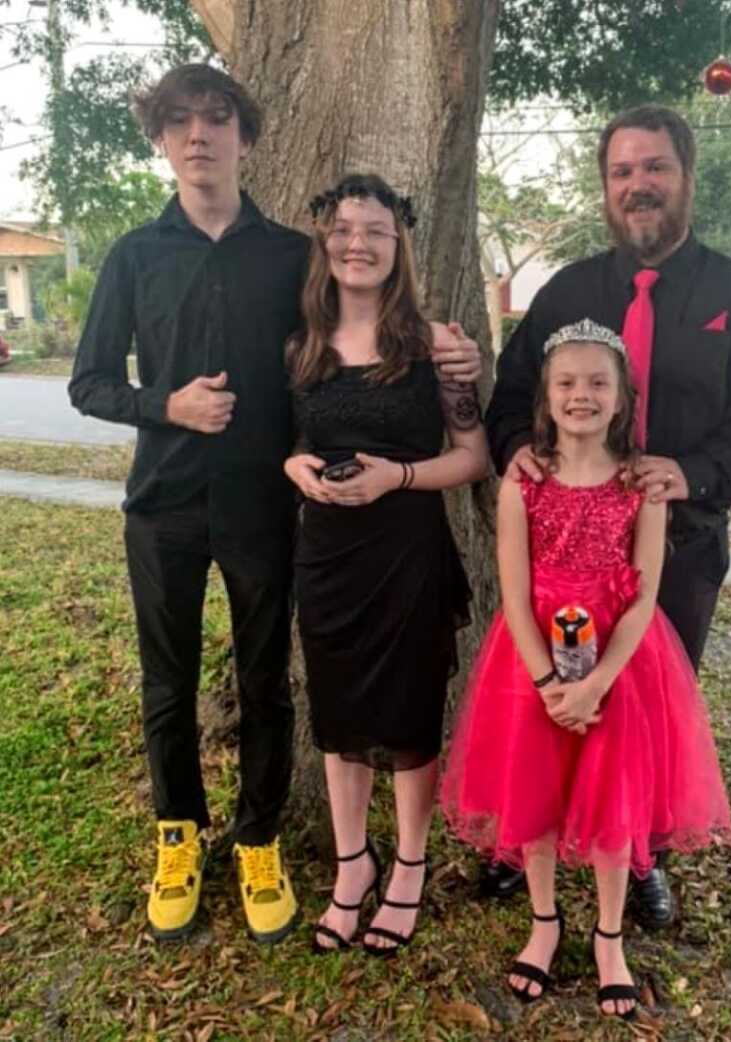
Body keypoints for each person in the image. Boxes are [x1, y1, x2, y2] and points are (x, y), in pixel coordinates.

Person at [68, 66, 481, 945]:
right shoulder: (134, 256)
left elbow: (353, 341)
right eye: (179, 122)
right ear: (160, 141)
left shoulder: (295, 253)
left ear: (245, 138)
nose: (198, 136)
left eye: (216, 120)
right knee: (168, 681)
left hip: (268, 506)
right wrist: (163, 405)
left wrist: (454, 358)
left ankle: (259, 836)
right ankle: (177, 833)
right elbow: (89, 383)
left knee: (266, 681)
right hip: (164, 506)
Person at [482, 104, 731, 924]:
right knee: (545, 702)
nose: (639, 186)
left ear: (686, 176)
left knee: (644, 708)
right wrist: (520, 447)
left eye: (654, 167)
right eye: (622, 172)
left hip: (678, 548)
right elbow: (515, 395)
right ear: (605, 189)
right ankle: (533, 836)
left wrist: (689, 473)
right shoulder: (567, 292)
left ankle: (641, 851)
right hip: (560, 551)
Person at [442, 320, 731, 1018]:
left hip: (623, 668)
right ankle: (545, 922)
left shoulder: (643, 487)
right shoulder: (524, 485)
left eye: (598, 383)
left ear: (623, 397)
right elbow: (512, 593)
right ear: (545, 397)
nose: (582, 395)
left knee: (615, 796)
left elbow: (643, 596)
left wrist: (597, 682)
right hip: (531, 659)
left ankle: (609, 936)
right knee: (534, 794)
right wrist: (548, 684)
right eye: (567, 383)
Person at [284, 173, 489, 957]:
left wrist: (396, 475)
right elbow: (294, 443)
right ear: (324, 242)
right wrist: (295, 469)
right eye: (342, 229)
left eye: (374, 230)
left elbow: (472, 457)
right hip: (326, 558)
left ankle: (408, 863)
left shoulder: (437, 347)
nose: (357, 243)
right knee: (337, 722)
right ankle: (351, 864)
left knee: (407, 720)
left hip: (406, 555)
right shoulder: (300, 344)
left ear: (397, 245)